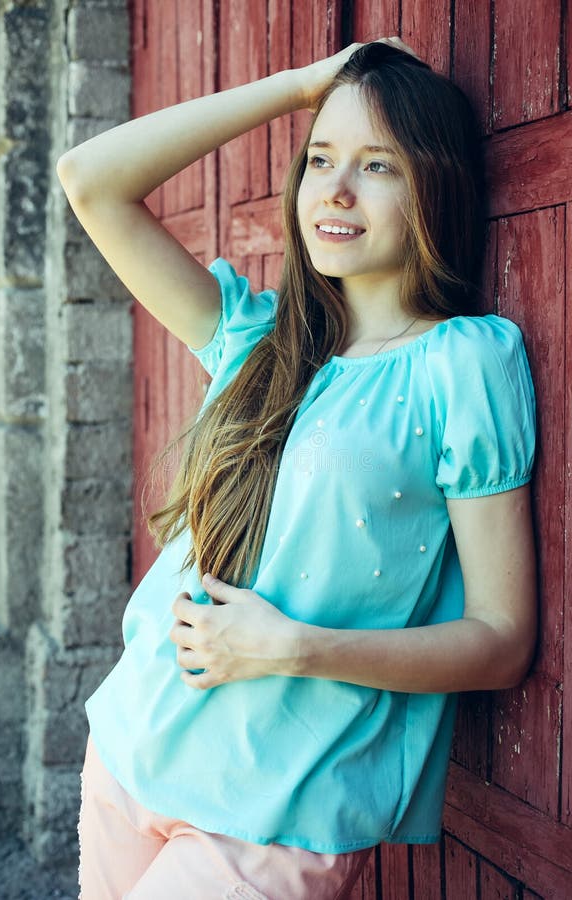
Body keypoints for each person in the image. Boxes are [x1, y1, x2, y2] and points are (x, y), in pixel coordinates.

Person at [57, 36, 538, 900]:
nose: (336, 190)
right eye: (322, 159)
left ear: (435, 186)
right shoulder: (257, 342)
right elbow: (90, 180)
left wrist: (294, 647)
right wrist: (302, 84)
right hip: (132, 749)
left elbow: (502, 642)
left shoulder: (463, 364)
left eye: (378, 165)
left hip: (276, 814)